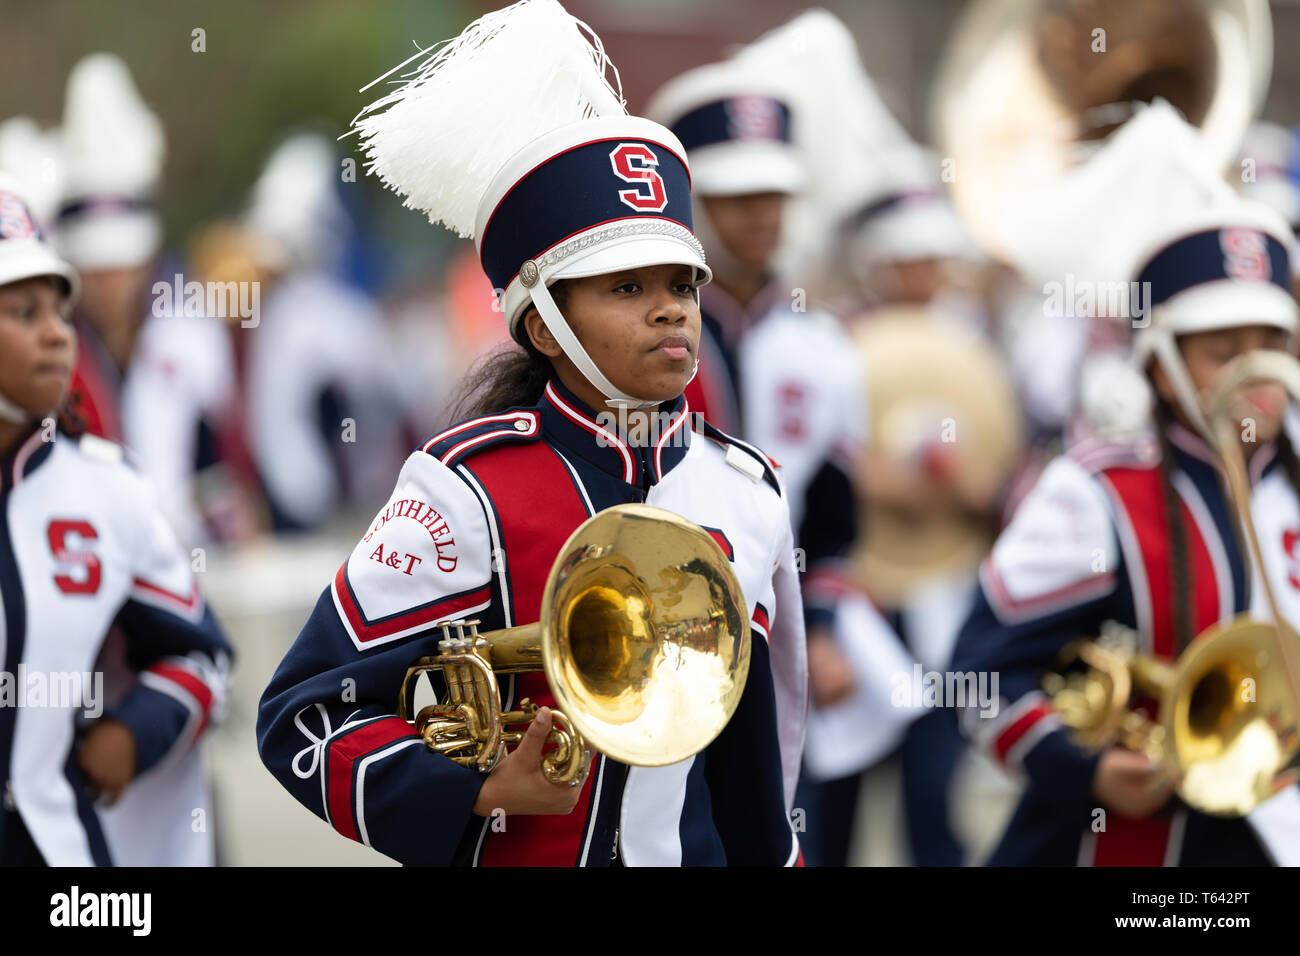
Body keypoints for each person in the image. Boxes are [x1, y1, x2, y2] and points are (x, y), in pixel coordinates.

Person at [257, 0, 806, 867]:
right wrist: (474, 790)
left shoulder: (747, 491)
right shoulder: (466, 486)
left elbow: (756, 774)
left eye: (682, 283)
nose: (670, 306)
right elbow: (304, 715)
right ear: (544, 325)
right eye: (625, 288)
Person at [951, 102, 1300, 866]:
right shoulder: (1097, 492)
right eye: (1223, 347)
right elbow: (976, 676)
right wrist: (1089, 770)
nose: (1257, 371)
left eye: (1273, 339)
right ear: (1164, 368)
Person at [0, 175, 232, 866]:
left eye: (58, 312)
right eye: (23, 312)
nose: (56, 335)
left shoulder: (105, 488)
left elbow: (199, 655)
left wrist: (133, 732)